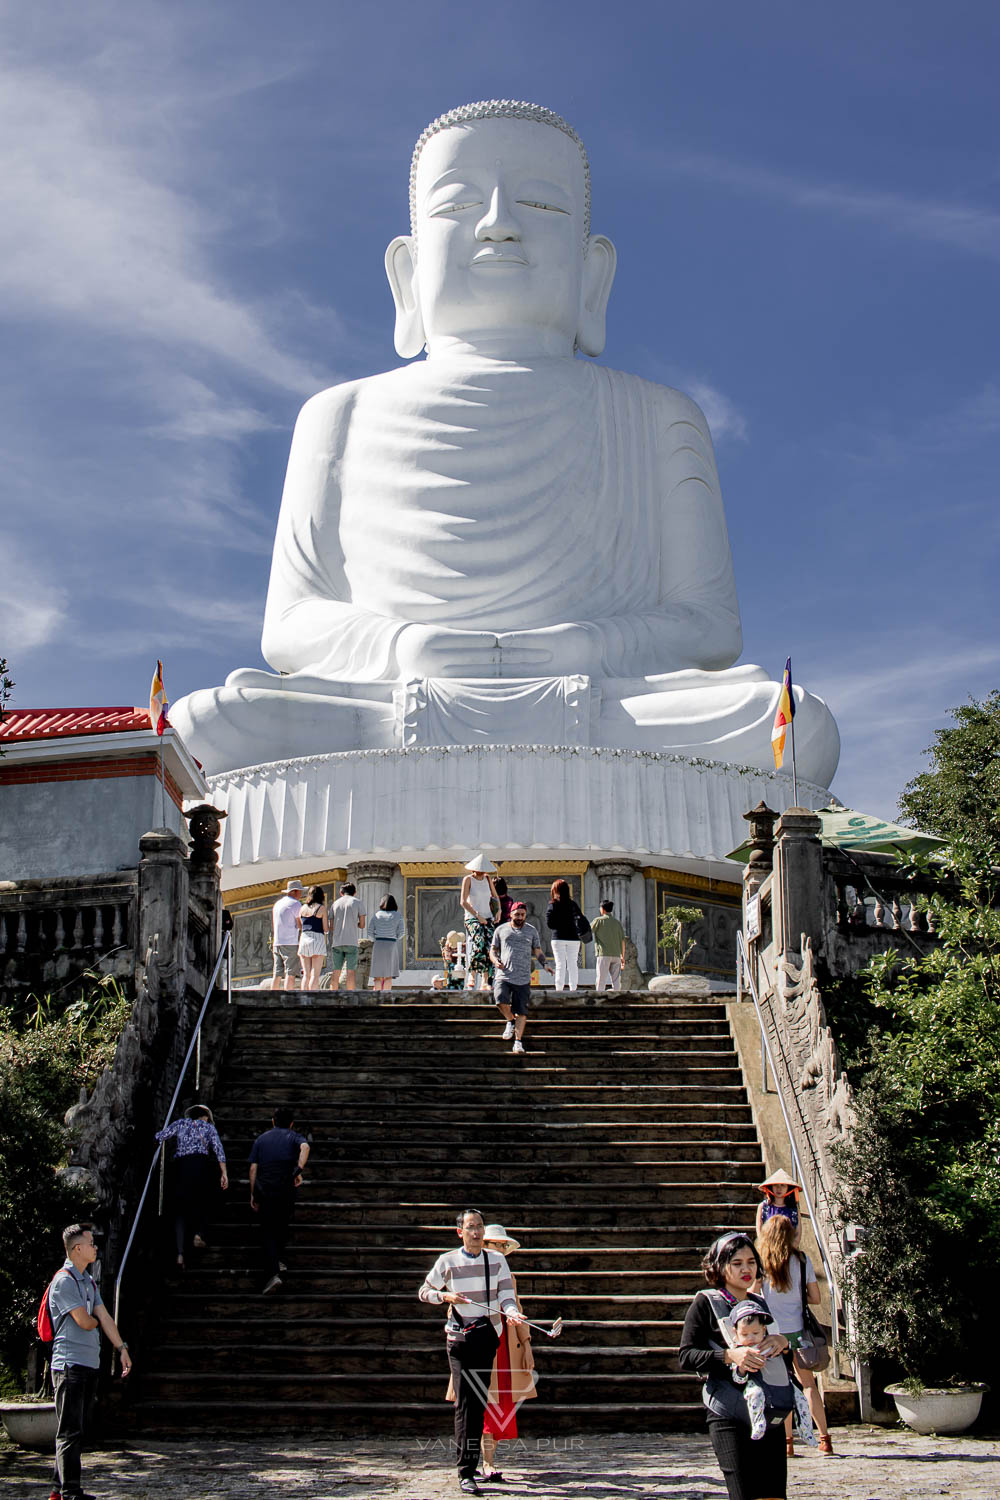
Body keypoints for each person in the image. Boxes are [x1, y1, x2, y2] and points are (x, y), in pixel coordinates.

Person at [173, 103, 840, 791]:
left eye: (540, 204)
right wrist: (404, 646)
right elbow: (291, 626)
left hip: (612, 701)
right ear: (405, 271)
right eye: (458, 203)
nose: (498, 223)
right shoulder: (340, 413)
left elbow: (707, 628)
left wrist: (585, 647)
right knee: (207, 725)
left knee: (793, 726)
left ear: (593, 273)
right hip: (385, 698)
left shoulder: (659, 415)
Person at [419, 1208, 525, 1496]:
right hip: (459, 1338)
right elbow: (424, 1291)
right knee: (466, 1403)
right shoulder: (448, 1261)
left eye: (479, 1226)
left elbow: (506, 1295)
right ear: (460, 1232)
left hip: (488, 1336)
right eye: (470, 1227)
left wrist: (512, 1313)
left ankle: (475, 1465)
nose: (476, 1232)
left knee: (478, 1402)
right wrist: (445, 1296)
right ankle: (466, 1471)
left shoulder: (497, 1260)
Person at [678, 1231, 790, 1500]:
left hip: (766, 1411)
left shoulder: (759, 1304)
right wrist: (729, 1356)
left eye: (751, 1262)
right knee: (743, 1494)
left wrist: (782, 1343)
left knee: (774, 1495)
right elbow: (686, 1356)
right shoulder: (706, 1302)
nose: (746, 1269)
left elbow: (783, 1361)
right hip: (727, 1411)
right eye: (737, 1263)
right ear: (719, 1266)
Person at [47, 1223, 132, 1500]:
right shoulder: (64, 1280)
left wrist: (121, 1347)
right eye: (91, 1243)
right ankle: (70, 1491)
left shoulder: (87, 1280)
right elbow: (85, 1321)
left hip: (87, 1362)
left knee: (77, 1428)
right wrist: (94, 1320)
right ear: (77, 1249)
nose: (95, 1247)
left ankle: (58, 1489)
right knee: (69, 1430)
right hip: (69, 1364)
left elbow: (104, 1316)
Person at [757, 1214, 833, 1456]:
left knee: (782, 1385)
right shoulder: (801, 1260)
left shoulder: (761, 1263)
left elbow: (753, 1296)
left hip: (771, 1334)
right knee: (809, 1385)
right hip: (798, 1331)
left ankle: (788, 1442)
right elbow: (816, 1298)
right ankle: (824, 1437)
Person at [478, 1223, 537, 1482]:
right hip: (479, 1343)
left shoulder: (508, 1275)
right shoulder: (470, 1270)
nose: (501, 1249)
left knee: (500, 1405)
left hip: (506, 1347)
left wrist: (526, 1344)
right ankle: (486, 1463)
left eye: (504, 1246)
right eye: (497, 1245)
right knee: (484, 1406)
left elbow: (518, 1309)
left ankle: (489, 1462)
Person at [155, 1104, 228, 1268]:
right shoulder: (208, 1128)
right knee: (203, 1202)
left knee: (179, 1212)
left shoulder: (180, 1124)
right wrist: (224, 1173)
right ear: (205, 1116)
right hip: (200, 1166)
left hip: (181, 1168)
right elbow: (218, 1150)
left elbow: (160, 1136)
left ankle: (180, 1254)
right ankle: (199, 1233)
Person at [249, 1106, 310, 1294]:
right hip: (286, 1188)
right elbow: (306, 1147)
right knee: (282, 1224)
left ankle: (273, 1272)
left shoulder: (261, 1139)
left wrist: (253, 1193)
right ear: (291, 1124)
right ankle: (277, 1260)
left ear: (273, 1121)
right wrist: (298, 1170)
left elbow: (253, 1169)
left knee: (267, 1229)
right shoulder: (294, 1137)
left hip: (266, 1189)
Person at [489, 902, 552, 1055]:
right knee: (499, 999)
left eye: (522, 915)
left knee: (522, 1011)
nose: (520, 917)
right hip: (504, 974)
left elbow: (537, 950)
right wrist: (495, 960)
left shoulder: (531, 931)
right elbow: (493, 950)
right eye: (517, 914)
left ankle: (518, 1042)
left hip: (523, 976)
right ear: (511, 914)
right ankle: (510, 1020)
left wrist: (544, 964)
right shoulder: (501, 930)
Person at [461, 855, 498, 991]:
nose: (481, 872)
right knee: (479, 941)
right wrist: (477, 915)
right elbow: (463, 901)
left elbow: (495, 897)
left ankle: (485, 979)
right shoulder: (468, 880)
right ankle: (472, 973)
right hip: (472, 917)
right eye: (479, 870)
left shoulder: (488, 879)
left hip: (488, 916)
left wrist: (498, 911)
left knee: (490, 946)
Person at [545, 879, 589, 991]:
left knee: (560, 964)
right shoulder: (573, 904)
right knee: (572, 964)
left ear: (555, 891)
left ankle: (559, 989)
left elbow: (550, 924)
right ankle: (573, 989)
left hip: (558, 938)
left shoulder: (553, 905)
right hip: (573, 938)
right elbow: (581, 919)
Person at [328, 880, 366, 990]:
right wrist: (355, 923)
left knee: (336, 971)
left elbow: (331, 926)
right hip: (351, 941)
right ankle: (350, 997)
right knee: (351, 972)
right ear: (354, 892)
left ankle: (332, 996)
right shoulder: (357, 902)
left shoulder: (335, 904)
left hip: (337, 942)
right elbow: (362, 924)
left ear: (341, 892)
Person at [270, 878, 303, 989]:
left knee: (277, 973)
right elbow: (299, 924)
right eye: (299, 891)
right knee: (291, 972)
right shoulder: (295, 904)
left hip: (277, 942)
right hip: (290, 942)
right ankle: (287, 997)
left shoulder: (278, 904)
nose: (301, 894)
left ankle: (272, 997)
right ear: (294, 891)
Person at [368, 893, 406, 991]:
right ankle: (386, 999)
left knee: (377, 976)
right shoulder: (398, 915)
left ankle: (377, 999)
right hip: (391, 945)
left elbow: (370, 932)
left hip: (378, 945)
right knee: (388, 976)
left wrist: (375, 939)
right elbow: (402, 932)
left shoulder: (377, 915)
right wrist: (394, 938)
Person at [755, 1169, 801, 1246]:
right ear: (771, 1187)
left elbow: (797, 1233)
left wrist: (790, 1251)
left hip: (789, 1250)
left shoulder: (794, 1209)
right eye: (776, 1185)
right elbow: (759, 1231)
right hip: (767, 1249)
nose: (779, 1189)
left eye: (783, 1185)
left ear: (788, 1188)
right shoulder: (763, 1207)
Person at [296, 885, 329, 991]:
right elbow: (325, 929)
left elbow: (299, 925)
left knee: (306, 974)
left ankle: (303, 998)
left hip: (304, 938)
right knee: (315, 974)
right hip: (317, 939)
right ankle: (312, 999)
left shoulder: (302, 908)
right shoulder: (321, 908)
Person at [590, 898, 626, 991]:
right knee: (616, 981)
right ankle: (617, 1000)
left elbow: (588, 932)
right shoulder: (617, 923)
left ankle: (599, 999)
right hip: (616, 955)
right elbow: (622, 941)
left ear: (602, 909)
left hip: (603, 954)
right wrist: (622, 956)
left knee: (601, 980)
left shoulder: (598, 920)